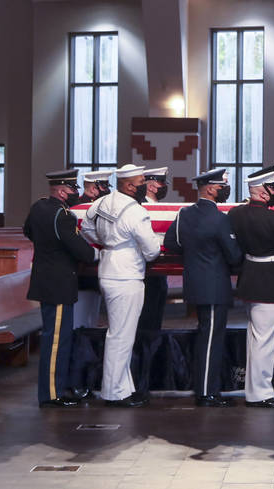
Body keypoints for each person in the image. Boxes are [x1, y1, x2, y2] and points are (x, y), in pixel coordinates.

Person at [81, 163, 162, 407]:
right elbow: (152, 251)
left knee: (120, 334)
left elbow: (85, 227)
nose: (144, 187)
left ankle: (124, 388)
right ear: (128, 186)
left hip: (108, 269)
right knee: (120, 336)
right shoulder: (136, 211)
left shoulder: (101, 203)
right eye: (140, 184)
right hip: (126, 275)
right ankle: (114, 392)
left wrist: (105, 242)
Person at [163, 168, 242, 407]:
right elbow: (234, 256)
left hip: (195, 282)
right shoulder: (220, 219)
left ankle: (205, 388)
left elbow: (171, 243)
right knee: (211, 339)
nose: (224, 190)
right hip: (215, 285)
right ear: (209, 189)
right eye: (221, 186)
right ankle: (207, 392)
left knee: (205, 335)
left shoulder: (185, 214)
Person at [227, 165, 274, 408]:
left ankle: (255, 388)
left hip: (250, 278)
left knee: (256, 337)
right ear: (262, 192)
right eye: (272, 188)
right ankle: (260, 393)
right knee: (264, 340)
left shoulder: (236, 214)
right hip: (270, 281)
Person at [24, 169, 98, 408]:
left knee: (54, 337)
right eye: (73, 189)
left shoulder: (38, 207)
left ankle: (53, 390)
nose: (76, 193)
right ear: (62, 191)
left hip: (46, 278)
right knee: (56, 340)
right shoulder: (62, 215)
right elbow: (83, 252)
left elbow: (28, 232)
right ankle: (51, 394)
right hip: (58, 282)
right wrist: (96, 252)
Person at [72, 169, 113, 333]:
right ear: (93, 189)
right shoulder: (77, 207)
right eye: (103, 187)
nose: (107, 191)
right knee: (79, 321)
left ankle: (87, 351)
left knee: (92, 319)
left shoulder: (102, 207)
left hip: (98, 270)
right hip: (83, 270)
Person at [136, 166, 171, 332]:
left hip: (160, 267)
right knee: (147, 313)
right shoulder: (140, 207)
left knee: (157, 311)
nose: (164, 187)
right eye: (161, 183)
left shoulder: (158, 207)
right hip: (146, 267)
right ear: (150, 186)